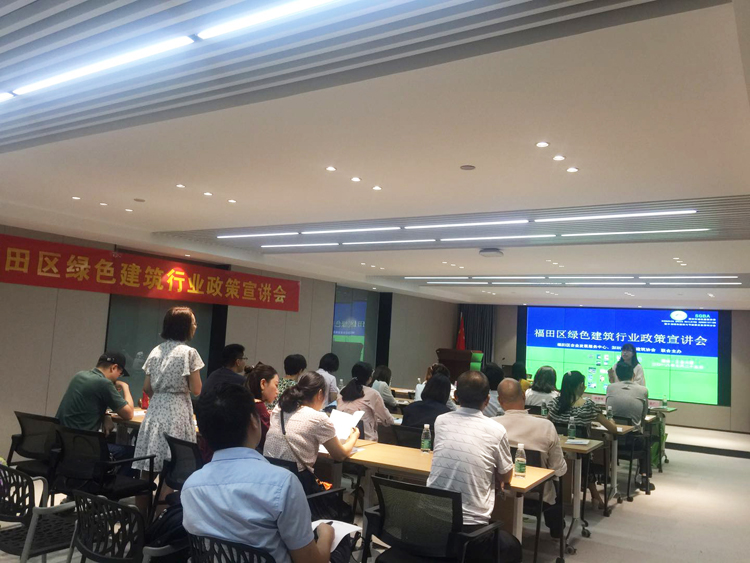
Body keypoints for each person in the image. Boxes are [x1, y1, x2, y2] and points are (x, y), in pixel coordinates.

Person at [183, 384, 350, 563]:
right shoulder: (282, 484)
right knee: (342, 541)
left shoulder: (190, 487)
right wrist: (326, 535)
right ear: (254, 422)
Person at [427, 371, 520, 563]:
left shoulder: (441, 421)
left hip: (431, 522)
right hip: (472, 532)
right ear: (487, 400)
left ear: (455, 396)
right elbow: (506, 476)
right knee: (513, 547)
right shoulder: (496, 430)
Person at [132, 306, 203, 509]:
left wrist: (161, 396)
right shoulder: (189, 353)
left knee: (147, 471)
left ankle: (141, 520)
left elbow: (147, 387)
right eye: (193, 322)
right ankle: (158, 521)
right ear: (184, 326)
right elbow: (196, 389)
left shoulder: (156, 351)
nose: (195, 326)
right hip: (177, 412)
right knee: (172, 471)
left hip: (155, 412)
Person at [264, 372, 359, 493]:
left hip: (270, 483)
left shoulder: (280, 409)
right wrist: (353, 437)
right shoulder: (317, 418)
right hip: (297, 488)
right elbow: (339, 455)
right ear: (320, 394)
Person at [495, 379, 567, 538]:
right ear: (523, 396)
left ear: (499, 400)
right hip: (537, 494)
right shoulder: (546, 426)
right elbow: (558, 469)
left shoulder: (491, 425)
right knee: (556, 479)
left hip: (499, 491)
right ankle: (556, 530)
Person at [547, 370, 617, 507]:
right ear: (580, 386)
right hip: (580, 453)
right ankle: (595, 497)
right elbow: (612, 429)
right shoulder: (588, 405)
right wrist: (611, 419)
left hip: (557, 452)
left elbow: (547, 423)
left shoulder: (555, 403)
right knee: (588, 457)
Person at [56, 351, 135, 463]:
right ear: (114, 367)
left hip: (61, 446)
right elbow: (128, 414)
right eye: (120, 373)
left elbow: (88, 404)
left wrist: (106, 415)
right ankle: (107, 474)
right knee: (133, 453)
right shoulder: (104, 384)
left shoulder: (79, 376)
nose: (119, 377)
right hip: (83, 448)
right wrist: (125, 386)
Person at [607, 362, 652, 491]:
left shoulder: (610, 388)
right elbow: (643, 415)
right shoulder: (643, 390)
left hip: (612, 440)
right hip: (633, 442)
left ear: (617, 375)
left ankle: (606, 473)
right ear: (633, 374)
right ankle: (644, 478)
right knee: (646, 441)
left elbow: (609, 412)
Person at [337, 362, 394, 441]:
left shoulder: (342, 391)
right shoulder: (373, 394)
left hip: (342, 439)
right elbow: (388, 421)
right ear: (370, 378)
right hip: (365, 441)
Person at [245, 362, 280, 452]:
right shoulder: (259, 406)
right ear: (263, 383)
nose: (278, 391)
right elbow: (270, 440)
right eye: (276, 385)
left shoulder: (245, 401)